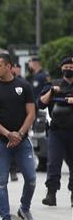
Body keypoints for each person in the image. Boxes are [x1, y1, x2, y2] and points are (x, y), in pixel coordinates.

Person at [0, 54, 38, 220]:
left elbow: (31, 113)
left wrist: (19, 134)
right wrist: (8, 134)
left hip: (21, 141)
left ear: (9, 67)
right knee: (1, 181)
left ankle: (24, 208)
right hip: (1, 141)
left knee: (30, 178)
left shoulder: (24, 86)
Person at [39, 56, 73, 206]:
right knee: (53, 162)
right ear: (61, 68)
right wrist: (52, 92)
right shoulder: (53, 84)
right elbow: (40, 103)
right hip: (56, 131)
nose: (69, 69)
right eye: (66, 66)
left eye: (72, 67)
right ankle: (51, 193)